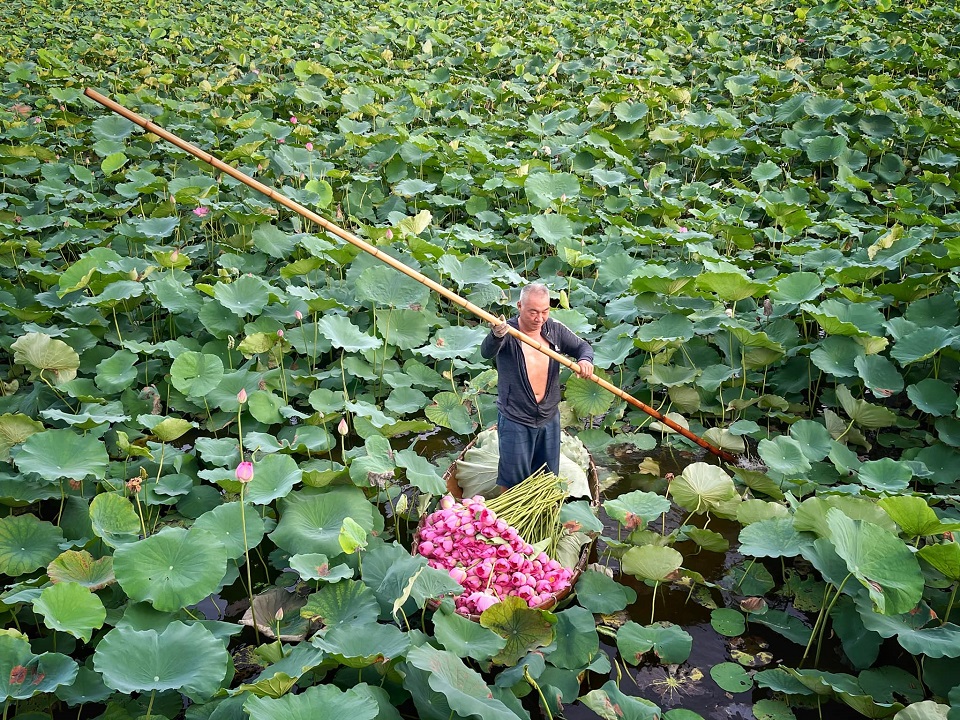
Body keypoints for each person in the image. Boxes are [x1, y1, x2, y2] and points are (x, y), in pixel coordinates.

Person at [480, 283, 594, 490]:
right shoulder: (508, 332)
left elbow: (582, 346)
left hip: (548, 416)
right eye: (533, 312)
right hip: (516, 416)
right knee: (512, 480)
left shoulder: (555, 330)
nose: (539, 318)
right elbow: (486, 352)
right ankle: (511, 515)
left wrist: (585, 360)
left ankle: (542, 512)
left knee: (547, 477)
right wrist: (496, 335)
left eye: (545, 311)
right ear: (519, 306)